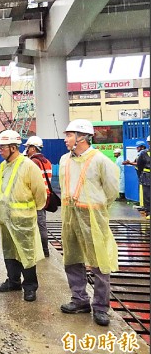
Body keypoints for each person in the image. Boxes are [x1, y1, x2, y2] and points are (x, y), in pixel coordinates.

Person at [59, 119, 120, 326]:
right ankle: (79, 300)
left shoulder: (100, 160)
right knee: (72, 258)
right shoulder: (64, 160)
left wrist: (96, 207)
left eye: (69, 135)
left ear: (82, 137)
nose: (66, 139)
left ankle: (101, 307)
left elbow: (111, 191)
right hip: (69, 215)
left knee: (99, 262)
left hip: (93, 216)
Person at [0, 130, 47, 302]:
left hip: (23, 219)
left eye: (3, 147)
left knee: (26, 254)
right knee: (9, 251)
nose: (0, 150)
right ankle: (13, 281)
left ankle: (30, 287)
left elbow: (39, 192)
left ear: (13, 147)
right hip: (6, 219)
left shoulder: (29, 166)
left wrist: (35, 209)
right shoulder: (3, 165)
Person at [23, 136, 52, 258]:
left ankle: (43, 250)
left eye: (28, 148)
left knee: (37, 225)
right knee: (42, 224)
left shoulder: (32, 162)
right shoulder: (47, 161)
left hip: (35, 199)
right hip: (45, 197)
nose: (26, 150)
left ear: (33, 148)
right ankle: (44, 249)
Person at [136, 136, 150, 218]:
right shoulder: (143, 153)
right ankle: (148, 212)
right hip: (147, 177)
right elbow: (139, 165)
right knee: (147, 195)